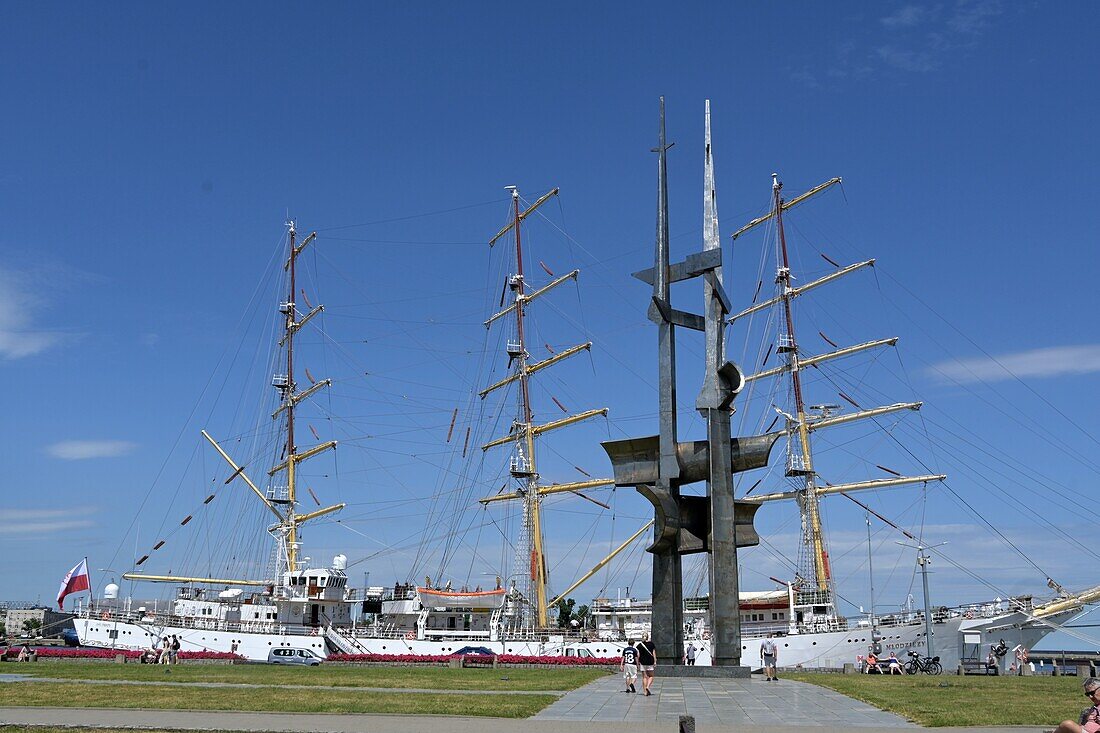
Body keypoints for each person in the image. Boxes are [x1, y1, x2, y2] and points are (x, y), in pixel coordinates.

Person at [637, 632, 657, 697]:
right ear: (648, 637)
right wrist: (655, 661)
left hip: (642, 662)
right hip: (650, 662)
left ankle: (645, 692)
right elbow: (653, 653)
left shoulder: (640, 645)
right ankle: (648, 687)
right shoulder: (651, 644)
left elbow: (638, 655)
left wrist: (638, 663)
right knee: (651, 676)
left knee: (644, 677)